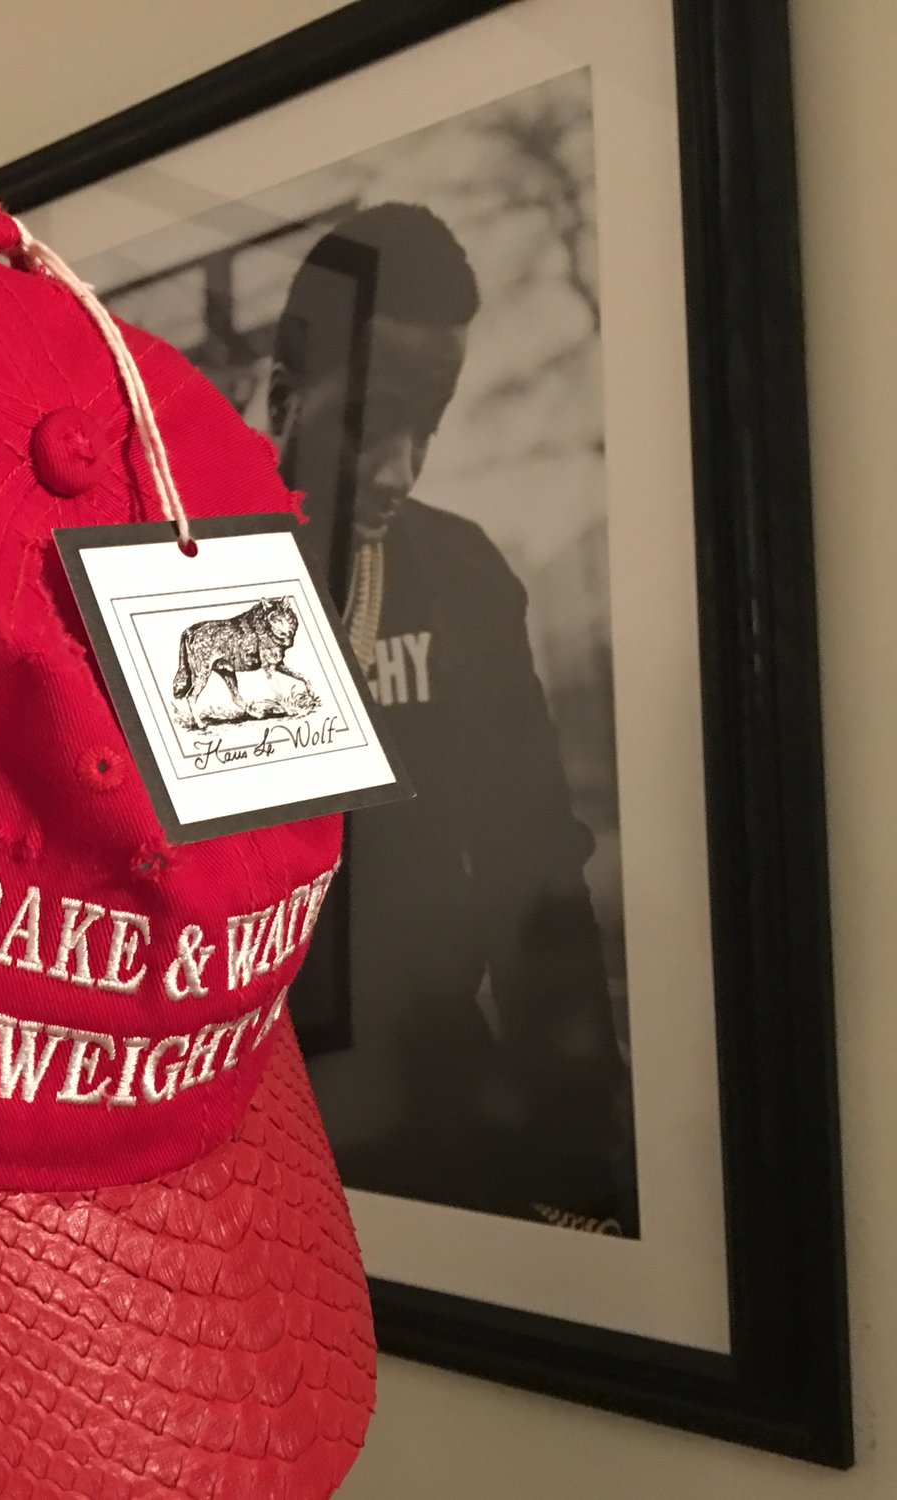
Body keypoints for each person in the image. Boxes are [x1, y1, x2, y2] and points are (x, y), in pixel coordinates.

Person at [269, 202, 636, 1231]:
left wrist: (581, 1148)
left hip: (443, 1111)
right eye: (371, 419)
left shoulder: (464, 575)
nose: (399, 467)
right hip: (244, 1124)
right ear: (285, 396)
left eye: (427, 423)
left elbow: (534, 862)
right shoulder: (194, 574)